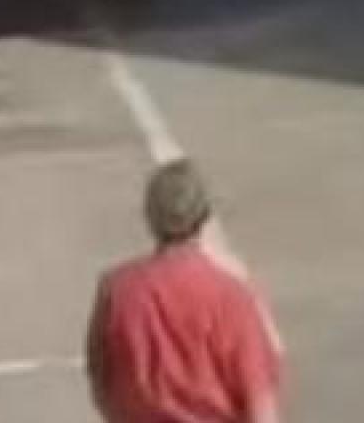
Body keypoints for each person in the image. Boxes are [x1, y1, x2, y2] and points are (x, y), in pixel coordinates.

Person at [86, 160, 284, 423]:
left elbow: (101, 379)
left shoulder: (116, 291)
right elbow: (259, 398)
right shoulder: (231, 295)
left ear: (150, 217)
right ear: (204, 216)